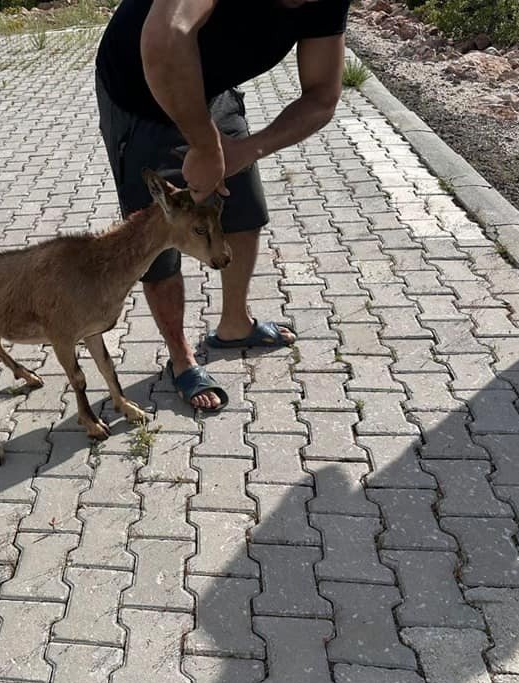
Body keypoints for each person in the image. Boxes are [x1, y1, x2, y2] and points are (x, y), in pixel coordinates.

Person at [96, 0, 352, 410]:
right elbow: (165, 40)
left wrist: (244, 151)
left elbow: (323, 97)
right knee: (156, 234)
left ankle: (235, 325)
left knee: (242, 209)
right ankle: (181, 359)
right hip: (137, 89)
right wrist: (204, 145)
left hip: (209, 88)